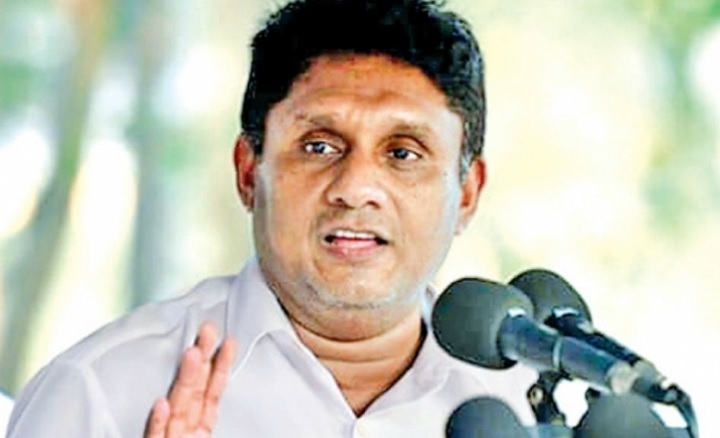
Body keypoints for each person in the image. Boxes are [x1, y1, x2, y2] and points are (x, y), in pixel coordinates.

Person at [7, 0, 537, 436]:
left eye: (402, 153)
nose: (355, 189)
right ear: (248, 172)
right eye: (319, 146)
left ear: (467, 194)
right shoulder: (97, 392)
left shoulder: (537, 407)